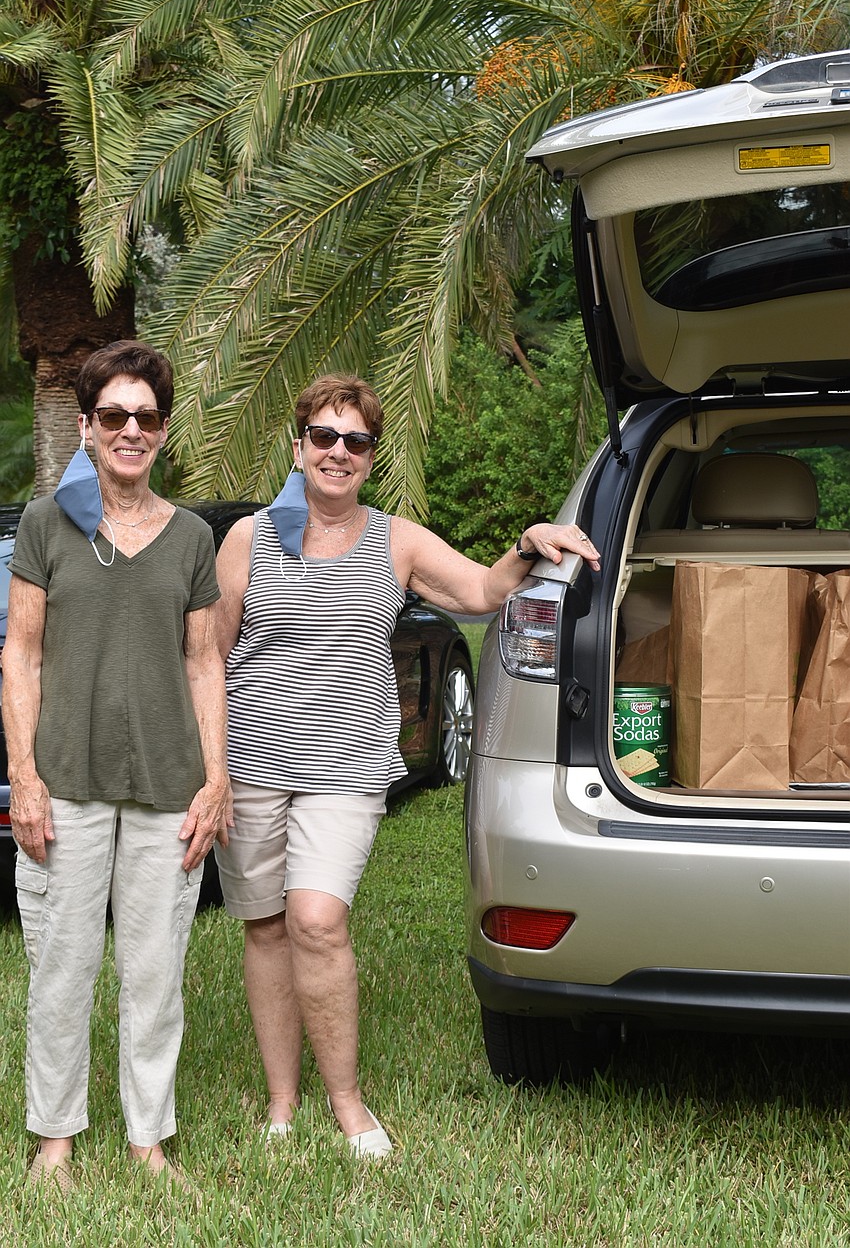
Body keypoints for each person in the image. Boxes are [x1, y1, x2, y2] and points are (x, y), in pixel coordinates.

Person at [215, 373, 600, 1158]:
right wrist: (209, 768)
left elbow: (482, 592)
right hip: (251, 762)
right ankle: (282, 1104)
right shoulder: (246, 540)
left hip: (346, 768)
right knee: (265, 928)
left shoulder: (397, 542)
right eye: (324, 436)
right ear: (298, 445)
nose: (339, 452)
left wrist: (527, 544)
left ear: (371, 455)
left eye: (356, 440)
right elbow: (210, 656)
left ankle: (348, 1104)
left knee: (316, 920)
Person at [4, 341, 230, 1192]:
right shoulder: (45, 525)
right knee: (62, 970)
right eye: (114, 416)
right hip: (65, 782)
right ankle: (54, 1143)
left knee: (156, 974)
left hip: (169, 787)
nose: (130, 430)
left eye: (146, 417)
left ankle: (148, 1143)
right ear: (87, 427)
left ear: (163, 431)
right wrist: (25, 779)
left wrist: (215, 779)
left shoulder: (192, 537)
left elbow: (204, 663)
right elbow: (21, 656)